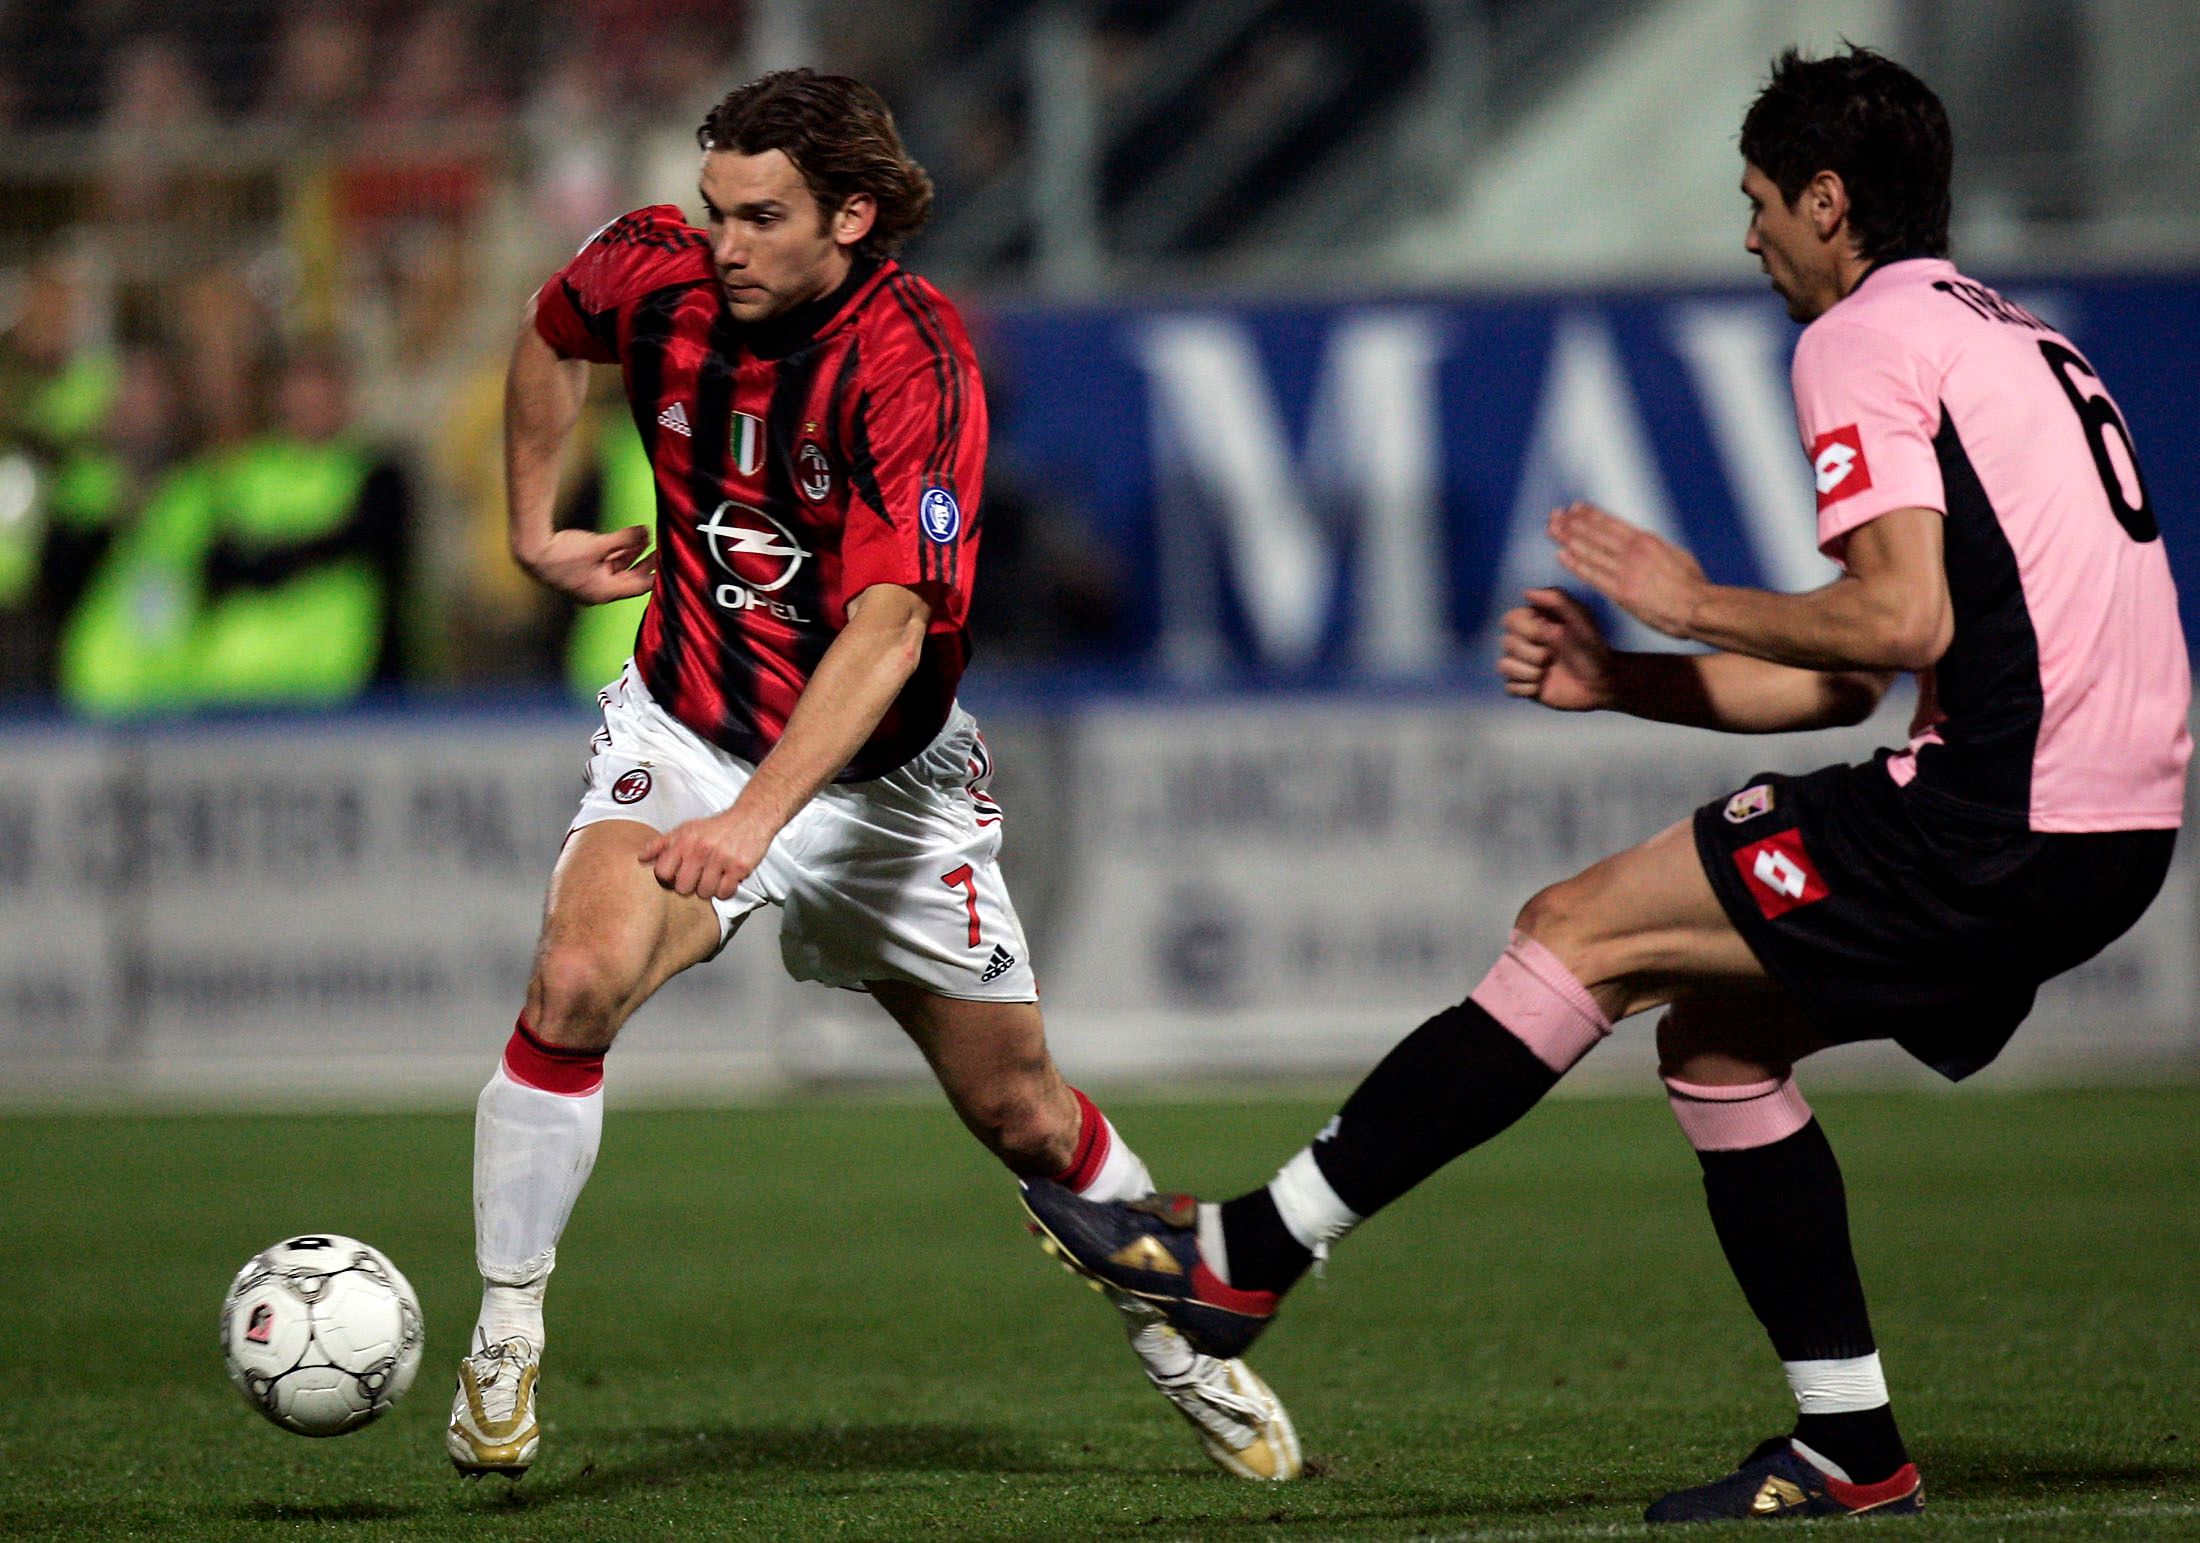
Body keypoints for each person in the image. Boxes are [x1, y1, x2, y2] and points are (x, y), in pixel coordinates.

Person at [1018, 44, 2188, 1524]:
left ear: (1830, 202)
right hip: (2113, 828)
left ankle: (1245, 1261)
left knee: (1578, 927)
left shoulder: (1864, 340)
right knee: (1716, 1049)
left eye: (1762, 199)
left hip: (2002, 813)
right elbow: (1843, 677)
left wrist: (1691, 602)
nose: (1748, 234)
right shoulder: (2005, 334)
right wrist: (1623, 677)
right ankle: (1850, 1448)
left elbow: (1897, 625)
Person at [446, 68, 1300, 1485]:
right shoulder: (657, 272)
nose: (723, 245)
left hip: (882, 789)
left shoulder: (916, 366)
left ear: (851, 215)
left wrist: (758, 819)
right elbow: (552, 326)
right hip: (686, 728)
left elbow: (891, 628)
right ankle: (506, 1337)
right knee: (575, 981)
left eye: (762, 218)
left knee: (1020, 1110)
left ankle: (1185, 1342)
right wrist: (535, 527)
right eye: (716, 208)